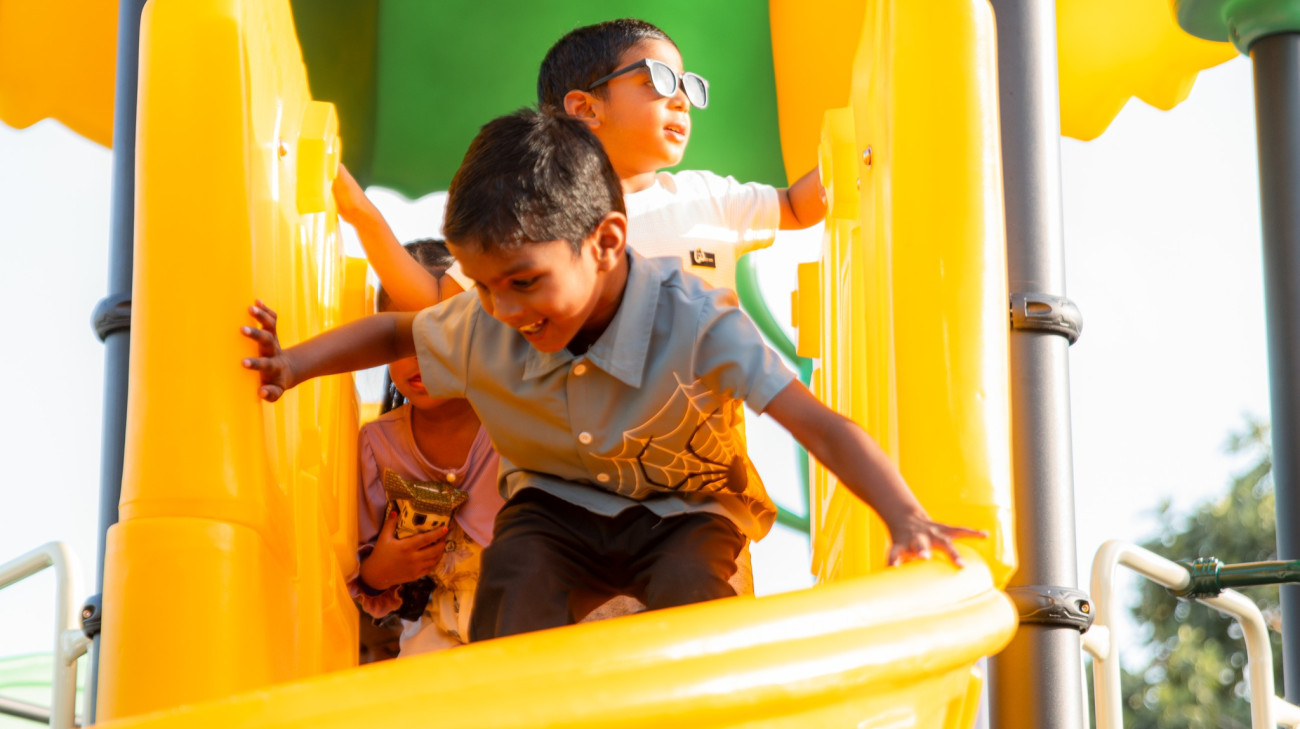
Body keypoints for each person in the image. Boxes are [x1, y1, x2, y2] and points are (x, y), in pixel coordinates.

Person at [242, 110, 981, 642]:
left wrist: (905, 516)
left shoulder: (697, 323)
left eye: (523, 282)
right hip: (555, 506)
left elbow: (816, 424)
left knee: (693, 593)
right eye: (483, 285)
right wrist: (293, 363)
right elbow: (393, 331)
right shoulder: (488, 320)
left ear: (607, 241)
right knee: (516, 576)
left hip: (685, 510)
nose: (503, 308)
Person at [537, 17, 826, 290]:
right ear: (586, 109)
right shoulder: (543, 220)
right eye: (657, 80)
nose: (682, 100)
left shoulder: (708, 197)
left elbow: (795, 207)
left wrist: (847, 143)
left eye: (686, 85)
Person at [350, 239, 503, 655]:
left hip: (528, 618)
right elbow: (364, 575)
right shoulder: (377, 445)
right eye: (402, 336)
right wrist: (380, 570)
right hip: (439, 630)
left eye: (441, 332)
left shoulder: (511, 421)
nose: (421, 355)